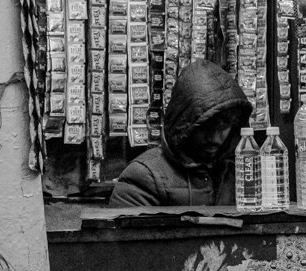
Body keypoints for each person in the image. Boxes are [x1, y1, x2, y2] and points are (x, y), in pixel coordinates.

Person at [108, 60, 254, 207]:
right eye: (206, 128)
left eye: (223, 128)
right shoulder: (144, 176)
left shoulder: (239, 170)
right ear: (184, 125)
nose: (215, 138)